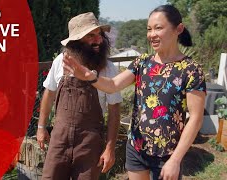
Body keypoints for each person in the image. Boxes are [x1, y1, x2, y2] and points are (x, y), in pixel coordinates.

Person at [63, 5, 206, 180]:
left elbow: (196, 118)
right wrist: (87, 75)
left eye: (158, 28)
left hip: (168, 154)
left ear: (179, 29)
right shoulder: (142, 62)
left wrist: (175, 160)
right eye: (149, 29)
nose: (152, 34)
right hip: (136, 149)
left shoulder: (191, 70)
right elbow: (114, 85)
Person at [37, 12, 122, 179]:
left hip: (90, 142)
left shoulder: (108, 69)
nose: (98, 40)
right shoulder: (60, 62)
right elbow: (49, 93)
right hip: (59, 139)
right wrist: (41, 127)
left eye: (99, 34)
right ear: (76, 41)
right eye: (90, 35)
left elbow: (114, 110)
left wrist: (110, 148)